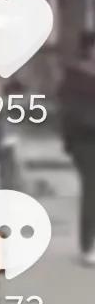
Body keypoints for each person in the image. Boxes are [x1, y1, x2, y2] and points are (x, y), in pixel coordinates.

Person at [59, 30, 95, 264]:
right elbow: (74, 115)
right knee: (92, 188)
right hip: (84, 142)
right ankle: (88, 246)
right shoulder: (76, 78)